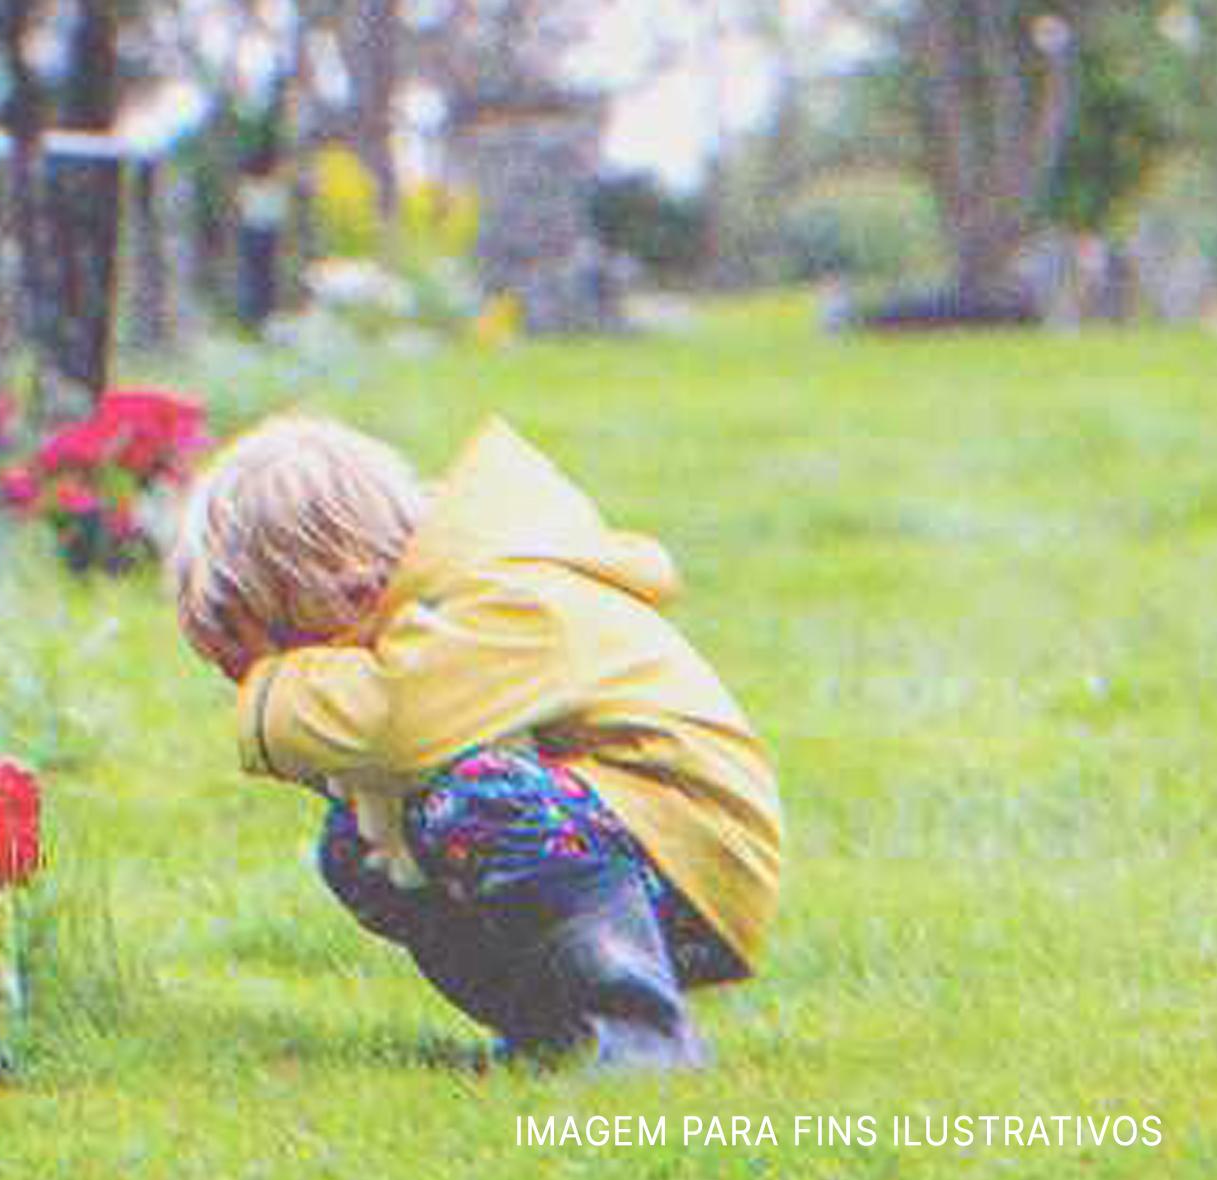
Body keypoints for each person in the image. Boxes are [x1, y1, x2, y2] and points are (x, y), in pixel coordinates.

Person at [168, 415, 783, 1069]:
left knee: (481, 800)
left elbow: (398, 728)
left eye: (287, 649)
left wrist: (274, 701)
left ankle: (643, 1032)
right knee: (357, 846)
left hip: (692, 859)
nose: (285, 673)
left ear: (350, 586)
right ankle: (555, 1033)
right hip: (621, 841)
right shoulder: (435, 606)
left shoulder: (499, 597)